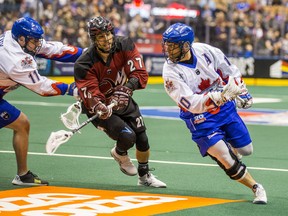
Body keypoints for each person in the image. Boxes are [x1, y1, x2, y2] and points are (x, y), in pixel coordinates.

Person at [161, 23, 267, 204]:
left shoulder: (205, 51)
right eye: (167, 45)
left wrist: (241, 90)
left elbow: (230, 71)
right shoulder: (170, 72)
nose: (168, 50)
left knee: (246, 150)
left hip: (225, 109)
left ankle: (224, 146)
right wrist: (220, 96)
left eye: (172, 45)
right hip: (199, 117)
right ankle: (256, 187)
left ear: (186, 45)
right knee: (225, 157)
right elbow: (192, 104)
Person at [74, 16, 166, 188]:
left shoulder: (125, 44)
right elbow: (91, 93)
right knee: (127, 136)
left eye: (108, 34)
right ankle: (120, 153)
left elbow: (140, 73)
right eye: (101, 36)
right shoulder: (84, 63)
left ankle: (144, 177)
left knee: (143, 139)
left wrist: (127, 88)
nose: (107, 39)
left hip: (122, 98)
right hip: (98, 107)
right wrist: (100, 105)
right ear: (94, 39)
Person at [0, 17, 83, 186]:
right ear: (22, 39)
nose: (38, 44)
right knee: (22, 123)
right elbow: (41, 87)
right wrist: (71, 89)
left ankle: (23, 176)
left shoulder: (15, 37)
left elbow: (53, 49)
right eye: (34, 40)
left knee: (22, 124)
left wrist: (88, 53)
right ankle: (22, 176)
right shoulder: (14, 59)